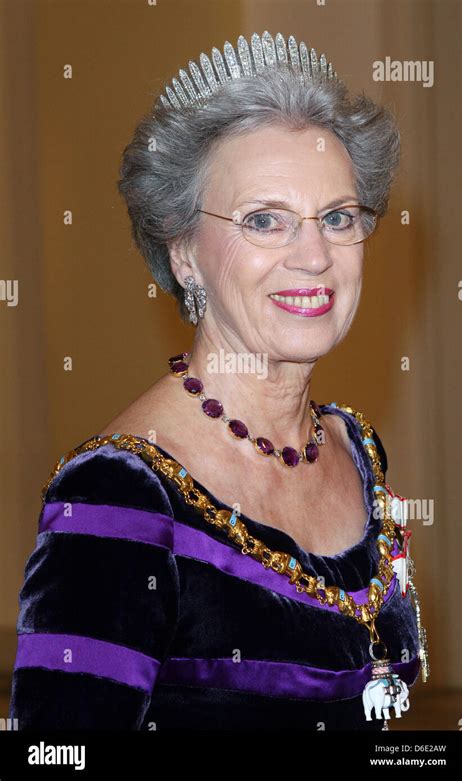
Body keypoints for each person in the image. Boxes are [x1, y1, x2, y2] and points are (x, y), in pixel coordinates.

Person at [9, 31, 429, 732]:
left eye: (337, 216)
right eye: (264, 220)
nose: (315, 255)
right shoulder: (120, 496)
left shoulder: (356, 451)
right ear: (183, 254)